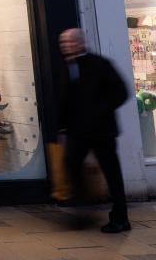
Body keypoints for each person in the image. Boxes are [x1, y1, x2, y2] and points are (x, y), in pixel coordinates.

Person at [58, 28, 130, 233]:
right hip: (78, 132)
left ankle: (120, 218)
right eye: (63, 43)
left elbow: (121, 92)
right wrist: (62, 129)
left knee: (111, 173)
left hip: (102, 131)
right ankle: (82, 209)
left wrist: (100, 110)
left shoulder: (100, 64)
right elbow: (64, 100)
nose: (66, 46)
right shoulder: (67, 66)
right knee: (71, 164)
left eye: (70, 42)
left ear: (81, 43)